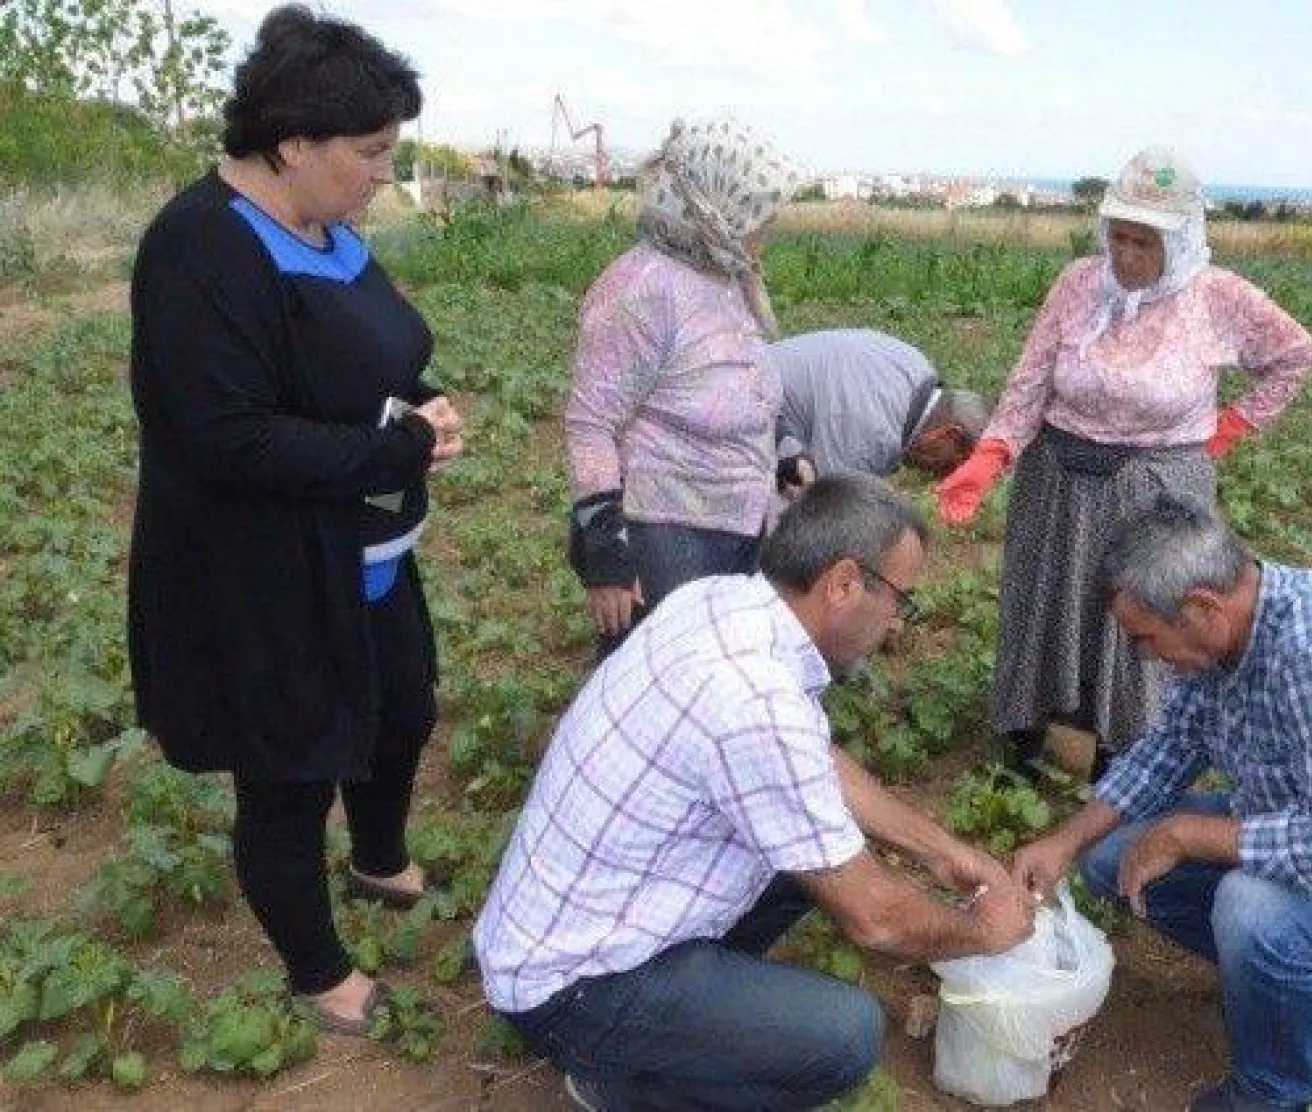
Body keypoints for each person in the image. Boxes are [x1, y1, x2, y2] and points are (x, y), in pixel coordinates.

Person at [474, 474, 1037, 1111]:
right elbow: (875, 918)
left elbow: (814, 764)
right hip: (574, 990)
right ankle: (619, 1082)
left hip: (564, 932)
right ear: (845, 583)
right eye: (900, 600)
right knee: (846, 1038)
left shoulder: (723, 602)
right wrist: (982, 933)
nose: (898, 626)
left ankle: (665, 1031)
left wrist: (944, 852)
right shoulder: (754, 695)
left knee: (807, 853)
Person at [126, 5, 462, 1034]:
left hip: (364, 548)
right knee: (288, 768)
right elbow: (229, 440)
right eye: (368, 153)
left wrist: (415, 407)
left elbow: (374, 351)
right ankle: (316, 968)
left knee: (400, 708)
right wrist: (395, 445)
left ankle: (374, 855)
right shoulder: (198, 249)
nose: (380, 175)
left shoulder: (327, 227)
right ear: (291, 144)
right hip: (263, 573)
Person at [1011, 497, 1312, 1112]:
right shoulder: (1223, 639)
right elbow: (1169, 750)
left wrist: (1188, 837)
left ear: (1201, 607)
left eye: (1145, 638)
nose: (1145, 654)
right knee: (1111, 855)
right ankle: (1299, 981)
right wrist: (1063, 841)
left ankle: (1303, 1089)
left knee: (1253, 911)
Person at [935, 145, 1312, 779]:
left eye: (1145, 243)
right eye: (1119, 238)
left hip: (1157, 485)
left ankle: (1128, 757)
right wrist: (994, 451)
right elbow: (1032, 379)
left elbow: (1296, 355)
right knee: (1044, 602)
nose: (1127, 256)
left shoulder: (1215, 296)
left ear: (1181, 241)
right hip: (1058, 477)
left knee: (1145, 617)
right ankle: (1024, 742)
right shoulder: (1079, 284)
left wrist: (1231, 426)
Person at [565, 116, 801, 652]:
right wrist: (606, 554)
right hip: (666, 532)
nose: (769, 227)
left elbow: (744, 380)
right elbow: (590, 422)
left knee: (714, 675)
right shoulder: (641, 288)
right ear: (713, 206)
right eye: (760, 213)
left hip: (739, 520)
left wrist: (785, 451)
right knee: (661, 674)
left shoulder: (726, 275)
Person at [766, 327, 990, 492]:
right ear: (949, 434)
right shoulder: (871, 433)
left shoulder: (917, 367)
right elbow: (827, 505)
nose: (941, 477)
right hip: (748, 414)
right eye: (953, 466)